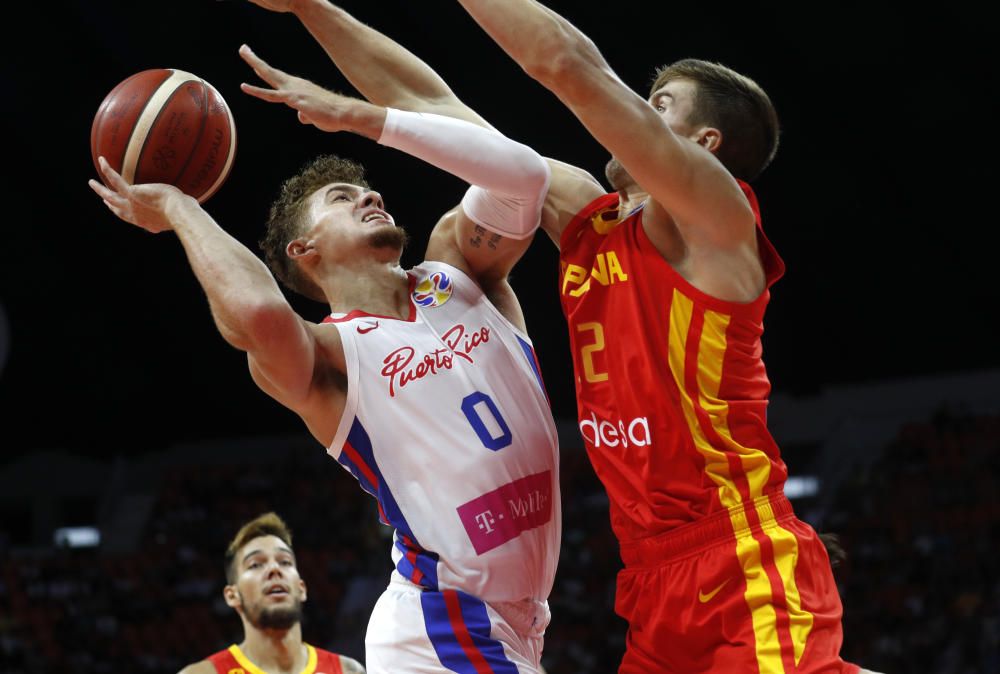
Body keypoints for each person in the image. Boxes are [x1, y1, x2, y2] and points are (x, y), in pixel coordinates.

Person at [231, 1, 880, 672]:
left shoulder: (718, 224)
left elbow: (566, 64)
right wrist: (312, 9)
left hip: (741, 549)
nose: (632, 107)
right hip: (651, 577)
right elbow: (428, 101)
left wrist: (361, 118)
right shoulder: (585, 216)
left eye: (657, 104)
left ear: (705, 144)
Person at [89, 45, 560, 673]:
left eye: (370, 191)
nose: (370, 198)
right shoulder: (329, 356)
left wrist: (369, 118)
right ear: (304, 248)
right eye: (344, 198)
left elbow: (523, 176)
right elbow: (258, 314)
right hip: (444, 623)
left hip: (518, 619)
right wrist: (179, 208)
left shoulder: (461, 268)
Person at [178, 512, 365, 674]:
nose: (274, 569)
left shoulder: (348, 670)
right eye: (256, 564)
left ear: (301, 588)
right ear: (232, 595)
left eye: (285, 561)